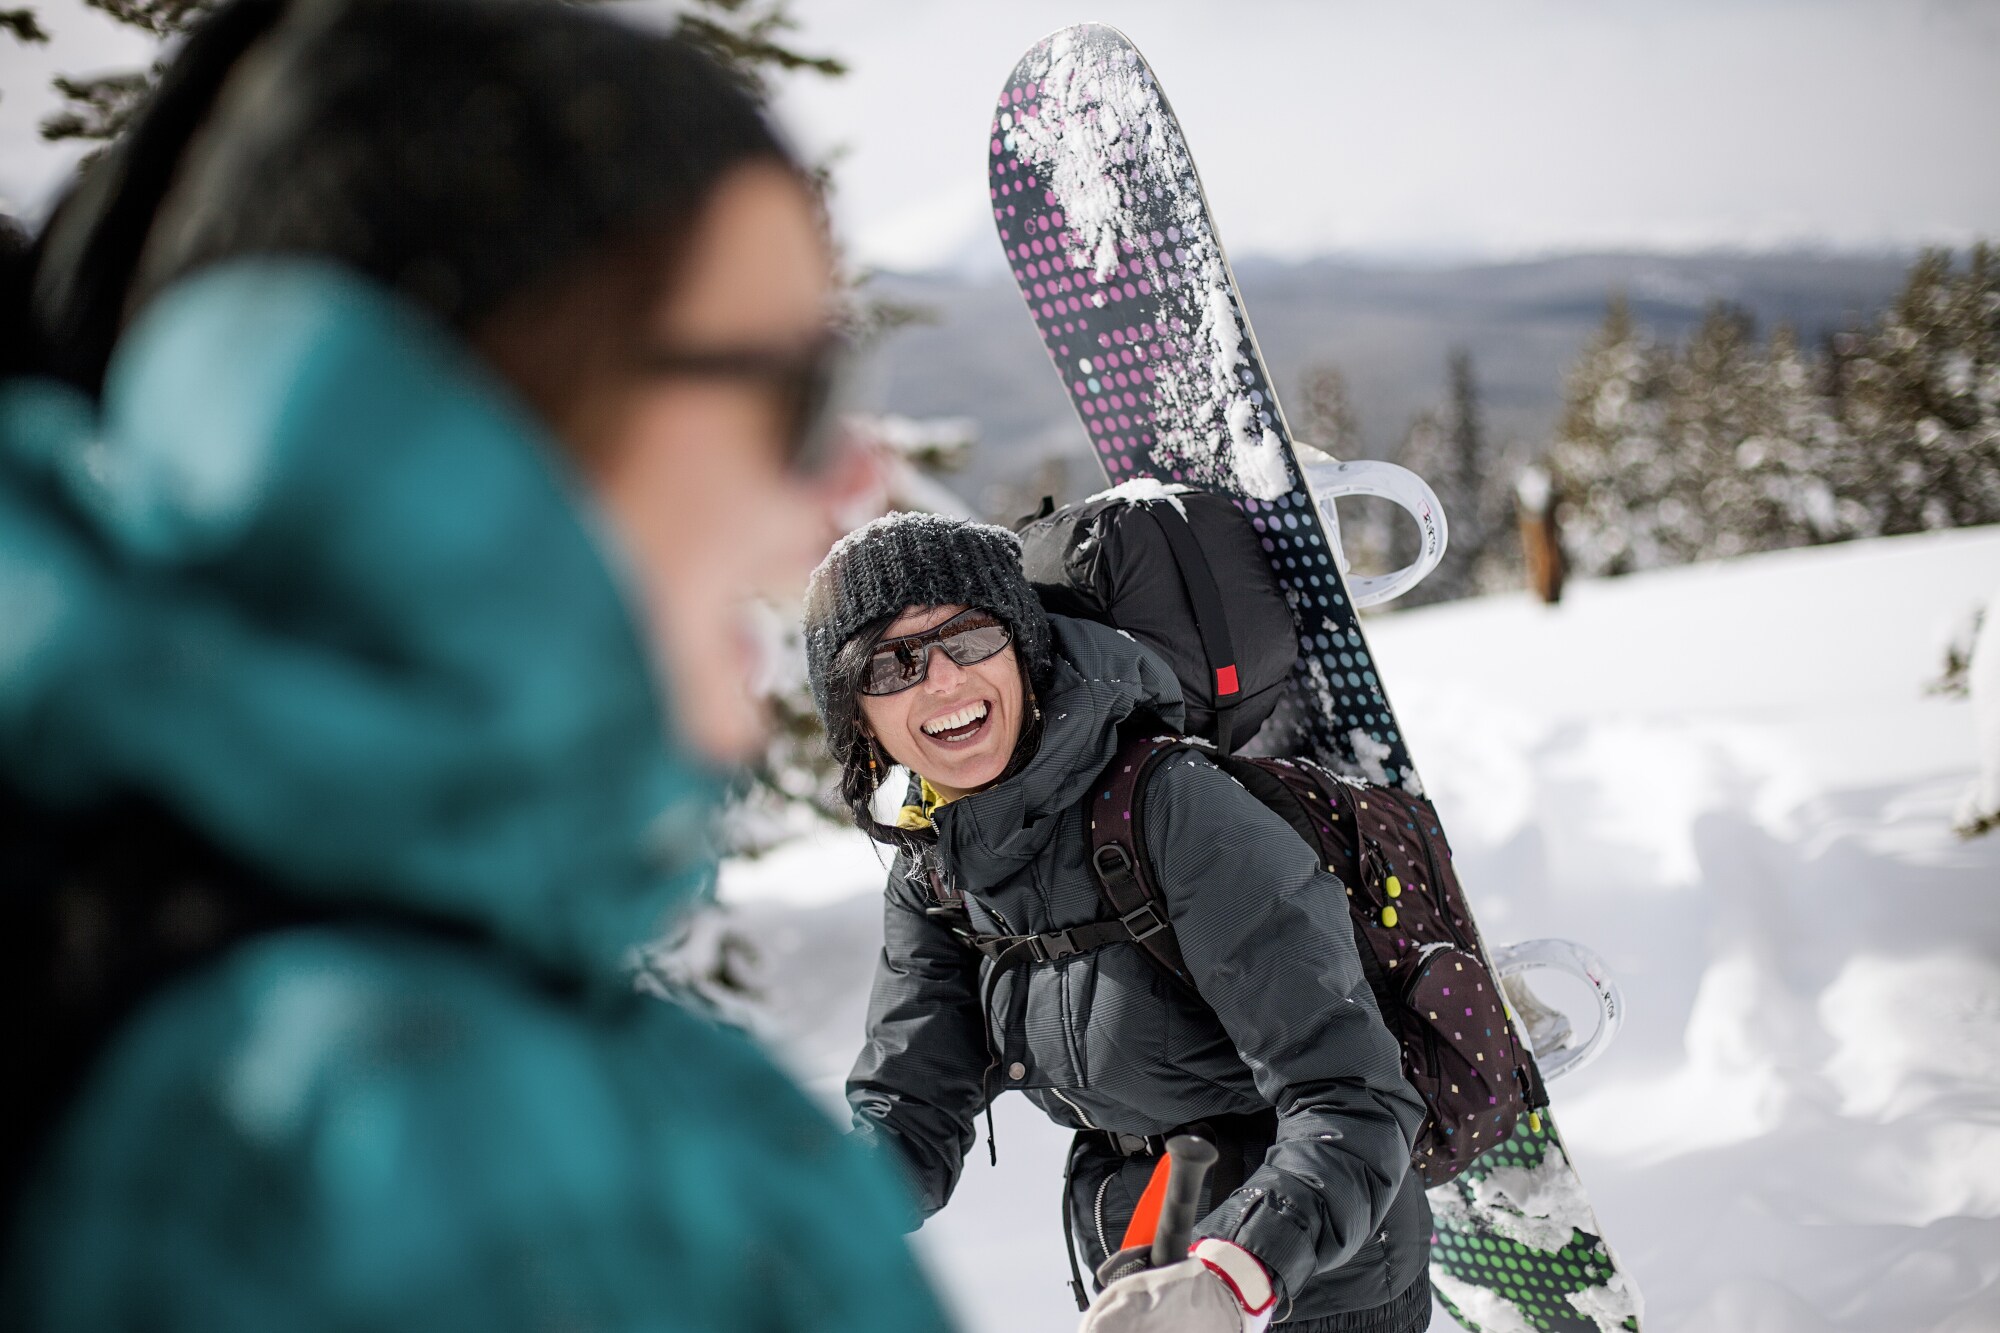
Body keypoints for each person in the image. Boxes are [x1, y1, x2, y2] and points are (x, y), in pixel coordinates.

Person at [0, 0, 948, 1329]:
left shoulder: (175, 967)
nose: (845, 487)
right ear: (475, 406)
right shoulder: (414, 1124)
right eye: (787, 395)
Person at [803, 513, 1434, 1333]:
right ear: (859, 718)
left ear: (1023, 649)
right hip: (1137, 1260)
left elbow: (1353, 1091)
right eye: (894, 664)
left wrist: (1232, 1274)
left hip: (1314, 1282)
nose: (945, 681)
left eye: (970, 636)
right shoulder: (938, 864)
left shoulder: (1173, 809)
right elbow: (910, 1105)